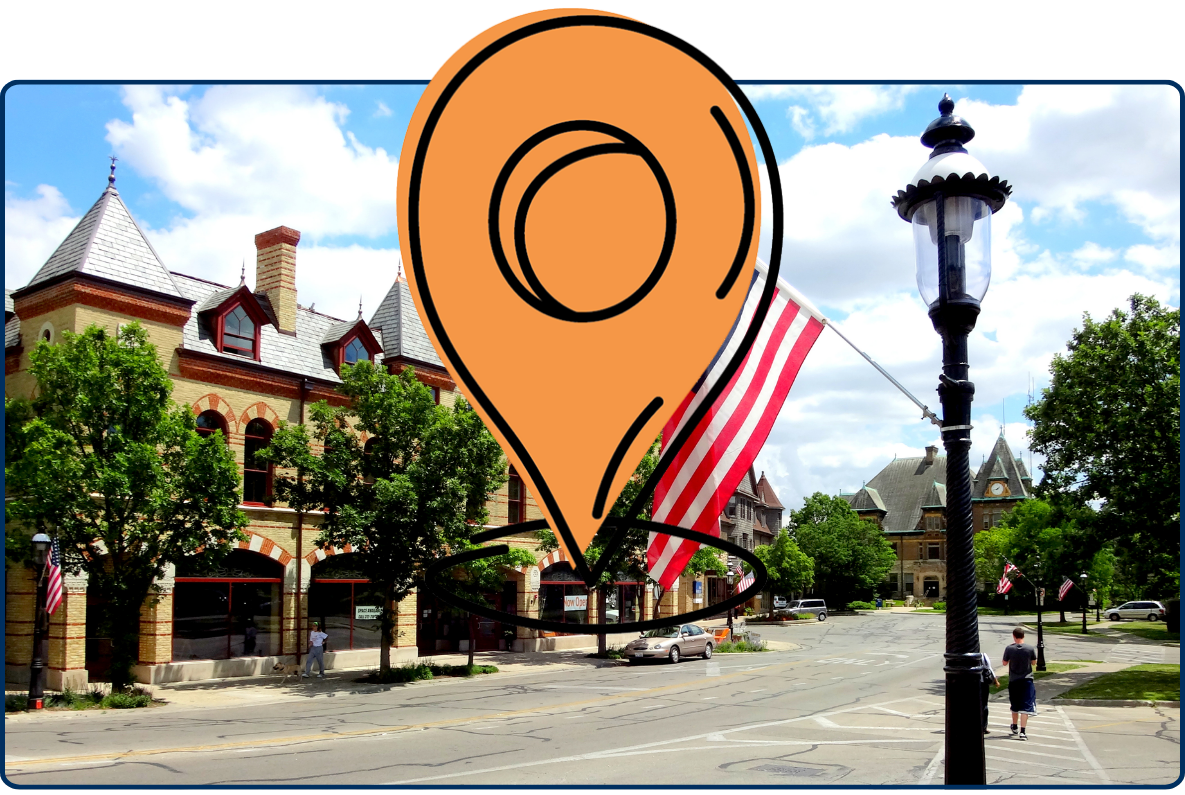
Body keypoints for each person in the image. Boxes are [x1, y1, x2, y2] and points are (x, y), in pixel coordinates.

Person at [1002, 626, 1038, 740]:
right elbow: (1034, 663)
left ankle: (1014, 725)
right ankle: (1023, 731)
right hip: (1027, 680)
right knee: (1026, 706)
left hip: (1014, 680)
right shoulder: (1030, 648)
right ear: (1023, 636)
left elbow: (1004, 663)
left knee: (1015, 704)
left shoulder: (1009, 648)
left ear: (1014, 636)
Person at [980, 649, 1000, 734]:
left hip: (975, 683)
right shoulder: (983, 655)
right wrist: (995, 680)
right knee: (984, 705)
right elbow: (989, 668)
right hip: (984, 683)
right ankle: (984, 727)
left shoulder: (969, 657)